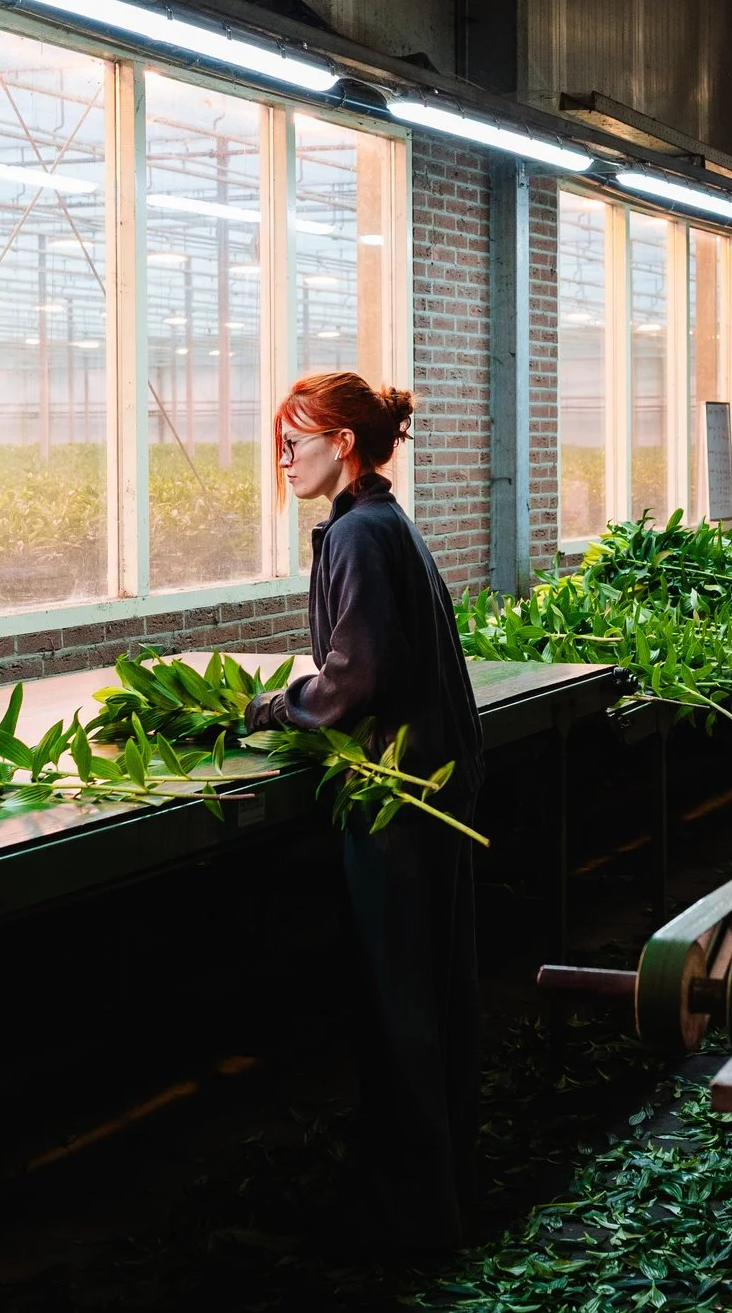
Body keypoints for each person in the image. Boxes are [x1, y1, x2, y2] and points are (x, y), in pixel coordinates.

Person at [244, 370, 484, 1254]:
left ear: (342, 444)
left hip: (399, 802)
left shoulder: (358, 534)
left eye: (295, 441)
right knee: (438, 999)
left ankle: (410, 1223)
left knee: (400, 1011)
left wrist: (277, 707)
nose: (284, 457)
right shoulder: (386, 524)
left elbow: (359, 676)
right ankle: (447, 1195)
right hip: (435, 787)